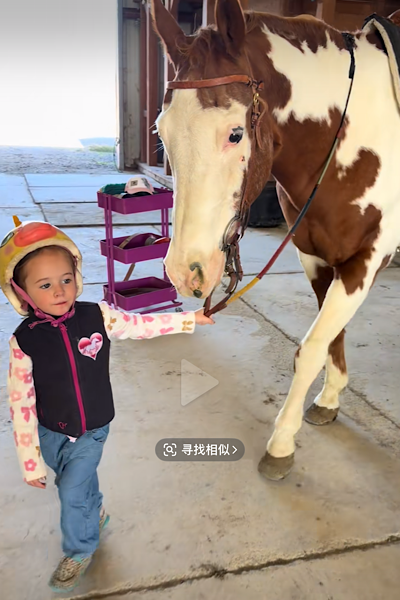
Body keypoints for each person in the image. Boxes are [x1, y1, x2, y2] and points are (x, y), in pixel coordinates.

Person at [0, 218, 214, 593]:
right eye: (45, 285)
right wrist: (30, 459)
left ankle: (79, 549)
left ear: (77, 275)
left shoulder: (97, 315)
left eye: (66, 279)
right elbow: (21, 402)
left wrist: (188, 320)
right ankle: (95, 511)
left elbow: (140, 325)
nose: (59, 290)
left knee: (70, 492)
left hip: (93, 429)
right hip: (51, 433)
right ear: (21, 292)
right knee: (77, 484)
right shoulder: (24, 341)